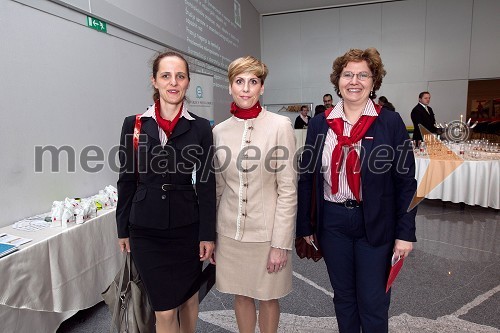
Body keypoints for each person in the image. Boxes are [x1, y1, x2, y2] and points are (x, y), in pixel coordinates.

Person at [296, 48, 417, 333]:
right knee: (344, 298)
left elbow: (406, 182)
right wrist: (306, 226)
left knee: (373, 300)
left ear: (374, 82)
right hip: (333, 222)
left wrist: (405, 233)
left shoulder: (389, 122)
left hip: (376, 222)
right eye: (348, 74)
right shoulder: (319, 124)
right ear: (337, 81)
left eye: (363, 75)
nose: (355, 81)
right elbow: (307, 177)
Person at [116, 51, 216, 333]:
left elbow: (207, 183)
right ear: (155, 81)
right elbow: (126, 179)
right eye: (166, 76)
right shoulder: (134, 125)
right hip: (146, 229)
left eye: (180, 76)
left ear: (187, 82)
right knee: (164, 308)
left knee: (188, 299)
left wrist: (207, 233)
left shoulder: (200, 128)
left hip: (188, 226)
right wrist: (122, 228)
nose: (173, 82)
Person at [213, 55, 297, 333]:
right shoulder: (218, 132)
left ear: (262, 87)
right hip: (230, 234)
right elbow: (218, 187)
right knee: (241, 294)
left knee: (269, 297)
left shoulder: (280, 126)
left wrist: (280, 243)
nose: (246, 88)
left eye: (253, 82)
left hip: (268, 234)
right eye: (239, 82)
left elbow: (287, 190)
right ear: (230, 87)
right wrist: (211, 235)